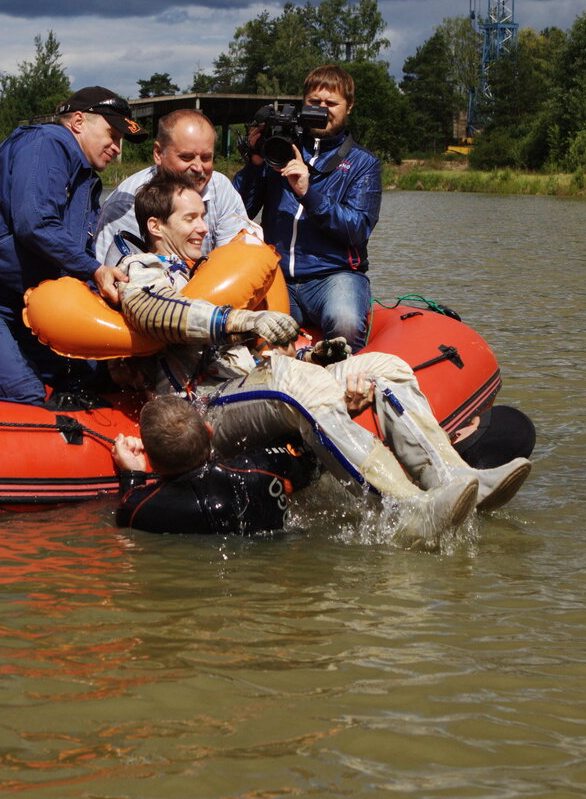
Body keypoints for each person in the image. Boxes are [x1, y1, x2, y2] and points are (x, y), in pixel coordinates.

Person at [112, 170, 531, 547]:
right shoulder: (143, 268)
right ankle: (404, 509)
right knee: (293, 385)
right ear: (155, 225)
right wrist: (242, 319)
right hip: (205, 403)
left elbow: (256, 354)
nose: (204, 227)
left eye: (204, 216)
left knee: (385, 367)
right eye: (190, 219)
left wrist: (312, 354)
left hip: (256, 384)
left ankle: (454, 476)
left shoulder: (206, 268)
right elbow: (152, 311)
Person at [0, 85, 142, 405]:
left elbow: (69, 253)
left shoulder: (85, 178)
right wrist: (96, 271)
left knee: (87, 375)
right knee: (22, 394)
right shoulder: (49, 143)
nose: (117, 148)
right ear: (79, 121)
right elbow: (34, 225)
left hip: (14, 301)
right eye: (112, 134)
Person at [232, 64, 381, 349]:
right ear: (303, 104)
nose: (322, 109)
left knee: (345, 321)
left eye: (331, 103)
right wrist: (254, 162)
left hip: (334, 275)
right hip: (278, 276)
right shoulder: (278, 150)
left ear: (348, 106)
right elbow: (239, 212)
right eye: (314, 102)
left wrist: (307, 192)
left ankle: (342, 386)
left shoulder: (364, 163)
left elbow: (357, 229)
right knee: (251, 331)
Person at [111, 395, 308, 535]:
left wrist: (133, 472)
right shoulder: (259, 468)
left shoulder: (140, 509)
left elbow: (127, 510)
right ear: (210, 432)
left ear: (151, 462)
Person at [92, 108, 254, 265]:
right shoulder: (124, 205)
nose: (198, 167)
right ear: (158, 153)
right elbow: (109, 276)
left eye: (206, 158)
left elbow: (238, 258)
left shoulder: (220, 188)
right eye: (186, 157)